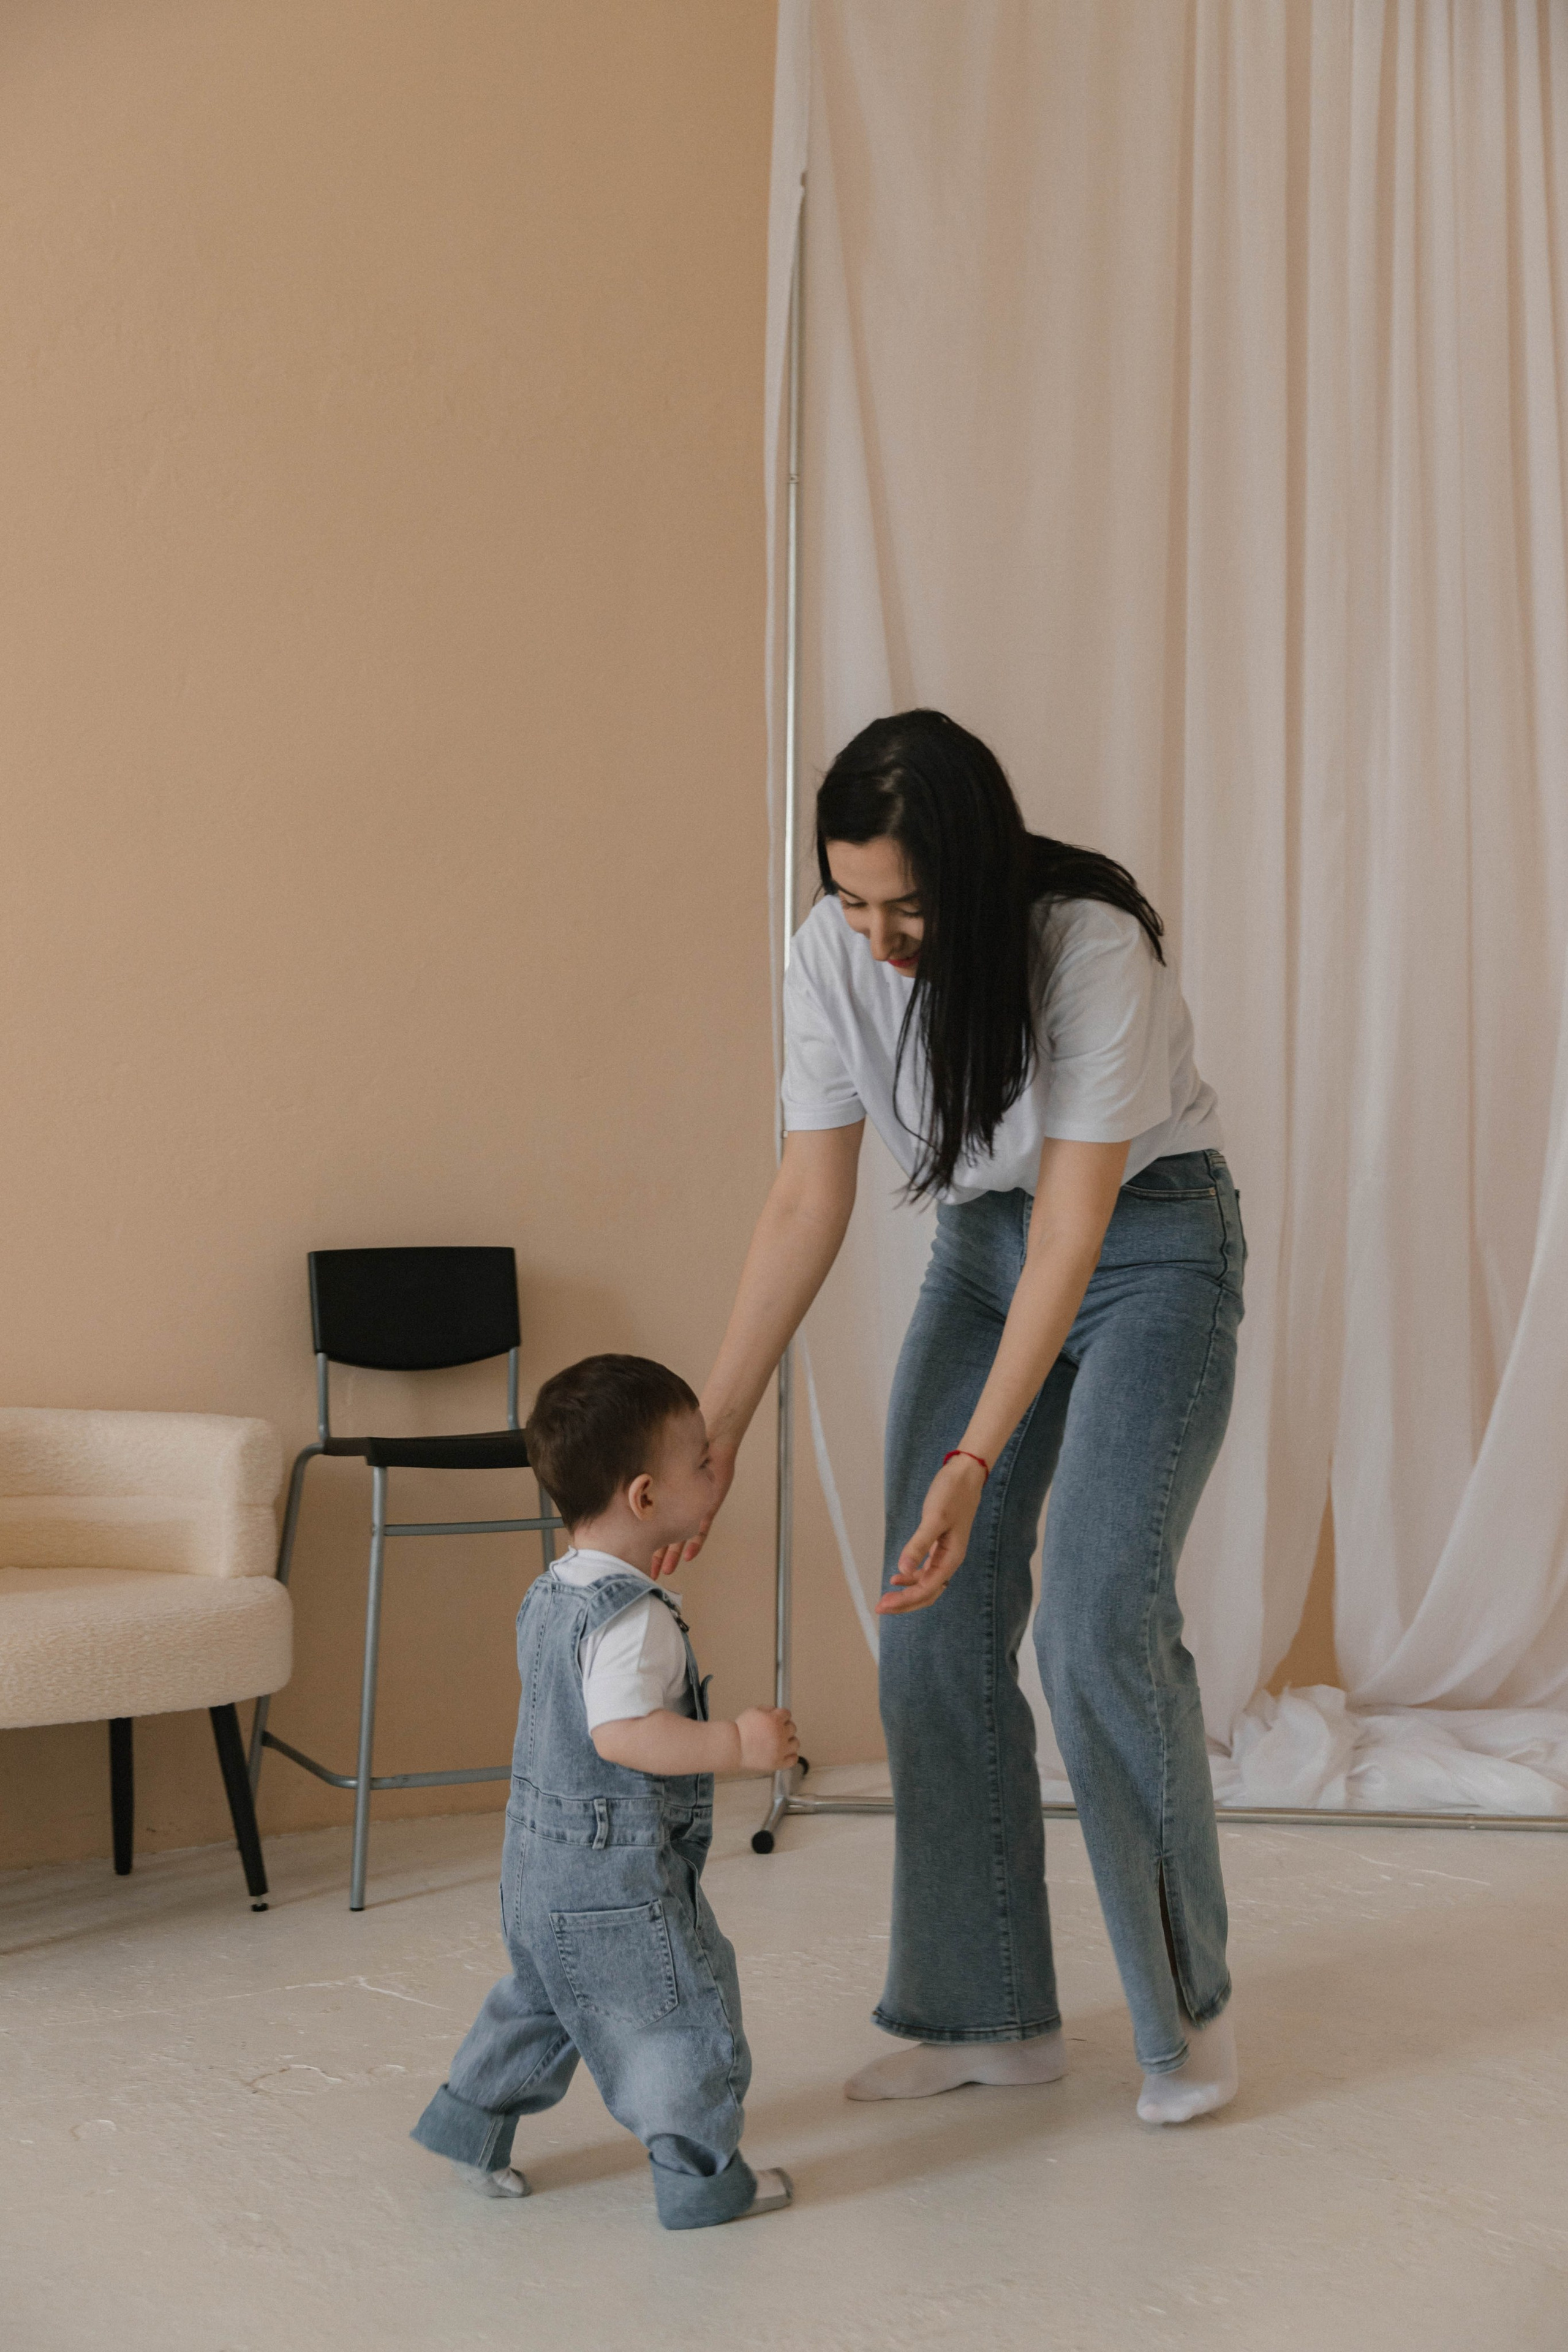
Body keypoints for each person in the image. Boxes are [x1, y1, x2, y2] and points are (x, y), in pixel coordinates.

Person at [658, 710, 1245, 2127]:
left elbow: (1075, 1229)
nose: (875, 936)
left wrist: (973, 1460)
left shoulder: (1089, 946)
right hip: (986, 1252)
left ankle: (1184, 2022)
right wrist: (714, 1429)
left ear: (977, 875)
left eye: (906, 905)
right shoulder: (826, 954)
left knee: (1096, 1616)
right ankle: (987, 2017)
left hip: (1147, 1252)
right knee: (925, 1626)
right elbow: (808, 1196)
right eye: (851, 898)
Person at [410, 1353, 798, 2225]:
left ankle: (469, 2124)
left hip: (533, 1864)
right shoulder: (636, 1619)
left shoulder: (552, 1593)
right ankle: (701, 2180)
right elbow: (622, 1735)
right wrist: (737, 1743)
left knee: (545, 1996)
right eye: (701, 1461)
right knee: (678, 2009)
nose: (716, 1472)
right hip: (611, 1881)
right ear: (646, 1498)